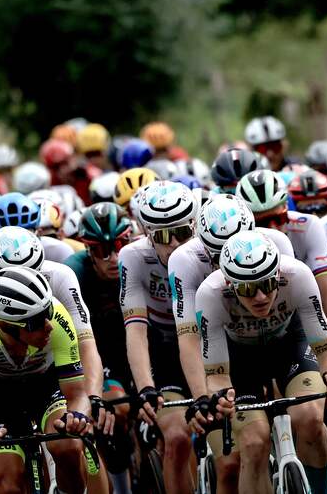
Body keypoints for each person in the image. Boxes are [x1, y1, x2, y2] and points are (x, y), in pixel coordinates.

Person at [196, 230, 327, 494]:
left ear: (278, 276)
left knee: (311, 419)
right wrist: (220, 397)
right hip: (240, 359)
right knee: (254, 445)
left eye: (267, 285)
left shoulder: (298, 275)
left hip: (290, 345)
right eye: (247, 288)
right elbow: (217, 377)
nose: (260, 297)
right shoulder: (209, 294)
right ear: (230, 284)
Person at [168, 193, 295, 494]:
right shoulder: (184, 260)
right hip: (218, 351)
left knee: (306, 418)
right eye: (217, 252)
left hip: (268, 339)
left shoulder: (275, 242)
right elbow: (188, 336)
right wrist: (203, 397)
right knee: (232, 461)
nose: (230, 256)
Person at [0, 266, 107, 494]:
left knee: (68, 447)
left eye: (48, 312)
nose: (49, 326)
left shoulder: (60, 320)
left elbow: (77, 395)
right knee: (6, 483)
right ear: (7, 326)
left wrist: (78, 417)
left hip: (45, 384)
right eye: (36, 322)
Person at [119, 181, 198, 494]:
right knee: (176, 436)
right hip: (164, 348)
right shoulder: (133, 257)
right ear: (145, 232)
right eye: (163, 236)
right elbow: (136, 332)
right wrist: (146, 389)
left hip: (207, 342)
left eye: (183, 233)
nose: (175, 244)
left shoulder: (207, 250)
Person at [236, 170, 327, 354]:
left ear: (286, 206)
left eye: (279, 218)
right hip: (247, 330)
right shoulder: (234, 239)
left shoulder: (308, 225)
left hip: (297, 318)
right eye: (264, 222)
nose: (274, 228)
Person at [63, 203, 135, 494]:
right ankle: (121, 484)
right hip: (97, 352)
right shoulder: (73, 273)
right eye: (103, 250)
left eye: (120, 245)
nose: (113, 257)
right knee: (116, 407)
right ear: (88, 251)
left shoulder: (139, 260)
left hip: (137, 344)